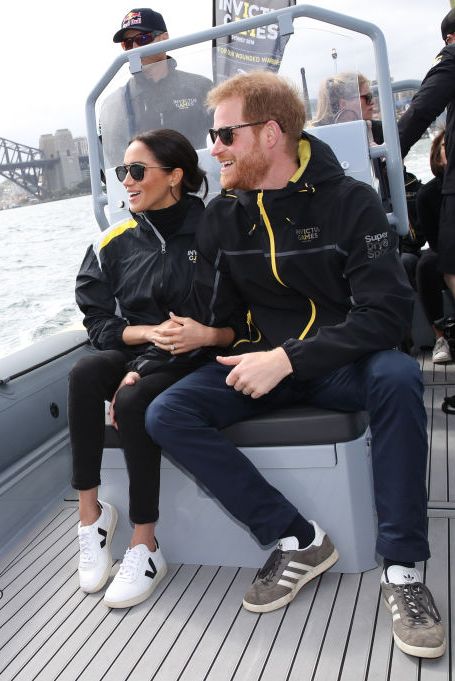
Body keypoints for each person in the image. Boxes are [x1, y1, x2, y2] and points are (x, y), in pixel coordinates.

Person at [145, 70, 446, 659]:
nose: (214, 149)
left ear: (270, 134)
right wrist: (145, 366)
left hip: (339, 364)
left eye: (224, 135)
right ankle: (296, 537)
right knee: (166, 412)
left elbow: (385, 317)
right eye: (212, 136)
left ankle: (403, 570)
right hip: (261, 362)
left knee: (397, 376)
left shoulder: (350, 202)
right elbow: (211, 317)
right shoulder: (223, 216)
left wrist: (287, 358)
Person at [70, 128, 236, 609]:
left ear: (175, 176)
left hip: (198, 352)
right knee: (84, 374)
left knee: (132, 398)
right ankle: (91, 518)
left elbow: (230, 313)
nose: (126, 181)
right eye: (123, 171)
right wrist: (145, 337)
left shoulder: (214, 229)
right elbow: (98, 323)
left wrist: (142, 368)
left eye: (137, 171)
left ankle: (145, 543)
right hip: (145, 344)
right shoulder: (113, 241)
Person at [99, 8, 213, 168]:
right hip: (146, 183)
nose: (134, 48)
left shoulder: (200, 87)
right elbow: (114, 163)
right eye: (127, 43)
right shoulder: (115, 104)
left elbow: (225, 138)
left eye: (143, 39)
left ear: (164, 39)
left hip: (196, 179)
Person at [398, 7, 455, 304]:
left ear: (450, 39)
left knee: (451, 265)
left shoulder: (452, 56)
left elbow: (422, 109)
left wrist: (393, 153)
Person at [416, 129, 453, 363]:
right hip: (445, 250)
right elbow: (433, 239)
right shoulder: (427, 195)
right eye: (447, 145)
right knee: (426, 265)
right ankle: (440, 337)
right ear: (437, 157)